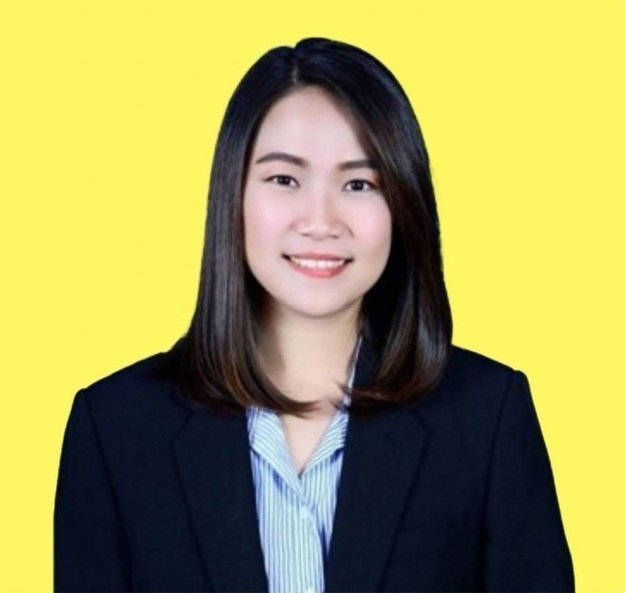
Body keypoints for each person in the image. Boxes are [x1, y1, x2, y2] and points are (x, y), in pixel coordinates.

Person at [54, 37, 574, 592]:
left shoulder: (486, 416)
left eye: (359, 184)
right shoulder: (116, 429)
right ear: (233, 193)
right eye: (284, 179)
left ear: (403, 205)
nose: (321, 221)